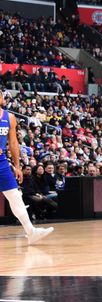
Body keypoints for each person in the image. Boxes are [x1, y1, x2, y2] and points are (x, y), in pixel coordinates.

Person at [0, 91, 53, 244]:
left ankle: (31, 232)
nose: (1, 97)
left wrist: (17, 166)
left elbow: (14, 143)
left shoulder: (9, 117)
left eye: (1, 95)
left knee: (15, 197)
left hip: (2, 163)